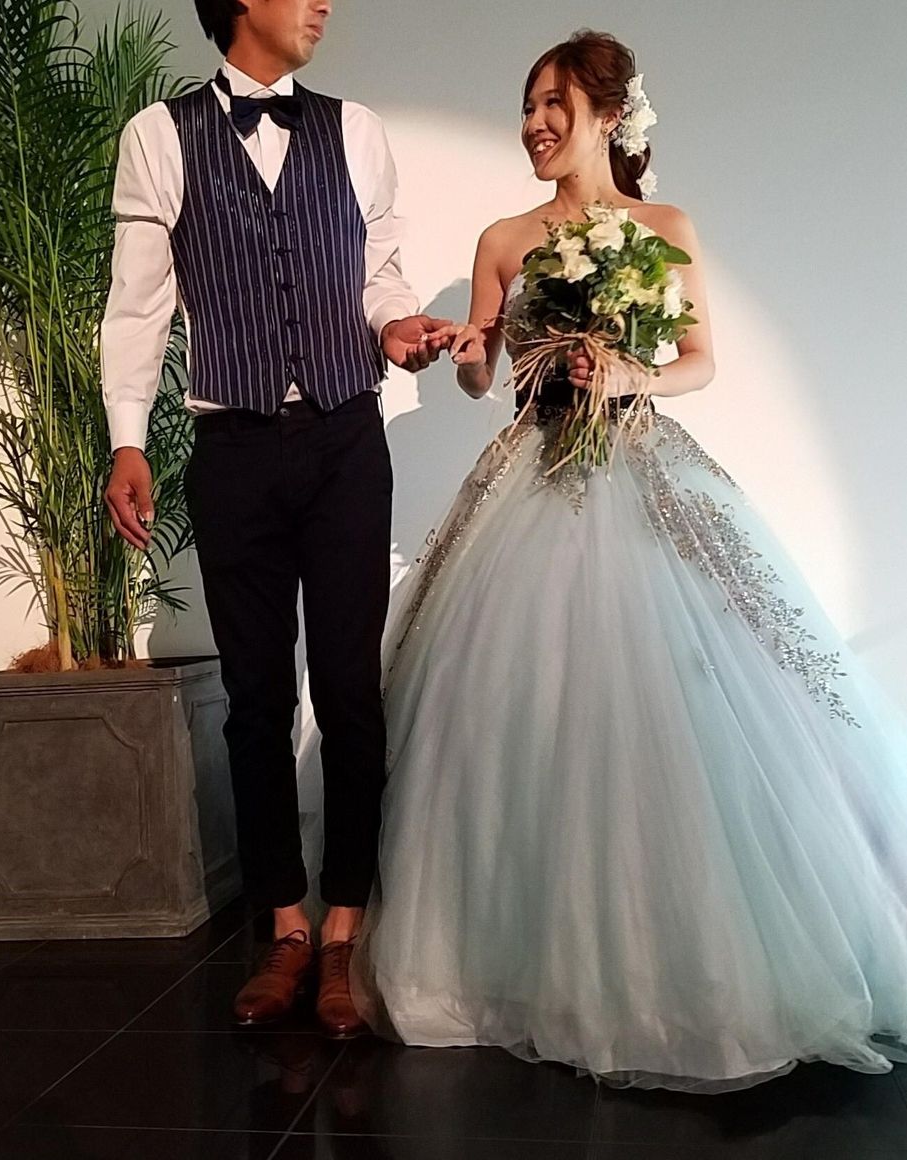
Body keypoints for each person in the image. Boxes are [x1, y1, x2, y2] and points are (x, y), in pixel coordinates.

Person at [357, 29, 907, 1091]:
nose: (533, 124)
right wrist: (467, 351)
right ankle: (507, 960)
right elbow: (482, 374)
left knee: (667, 708)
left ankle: (673, 967)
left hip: (640, 464)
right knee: (508, 706)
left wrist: (627, 375)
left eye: (552, 104)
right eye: (527, 107)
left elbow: (698, 358)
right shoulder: (504, 237)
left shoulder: (663, 227)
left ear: (610, 115)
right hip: (531, 470)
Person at [100, 0, 450, 1039]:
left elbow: (377, 275)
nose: (322, 3)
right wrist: (127, 438)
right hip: (234, 450)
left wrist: (396, 330)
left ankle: (345, 928)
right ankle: (284, 927)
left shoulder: (356, 129)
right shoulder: (159, 136)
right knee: (255, 698)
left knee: (348, 690)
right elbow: (137, 304)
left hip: (346, 440)